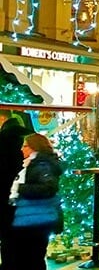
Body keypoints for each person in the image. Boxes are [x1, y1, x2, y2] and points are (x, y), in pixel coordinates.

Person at [3, 133, 63, 270]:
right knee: (31, 257)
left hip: (36, 218)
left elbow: (48, 188)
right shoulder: (33, 163)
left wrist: (20, 188)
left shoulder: (42, 165)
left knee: (32, 257)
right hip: (32, 217)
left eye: (25, 146)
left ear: (34, 147)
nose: (22, 149)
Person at [0, 113, 31, 265]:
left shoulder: (4, 144)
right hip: (17, 202)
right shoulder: (17, 148)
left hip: (8, 202)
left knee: (8, 242)